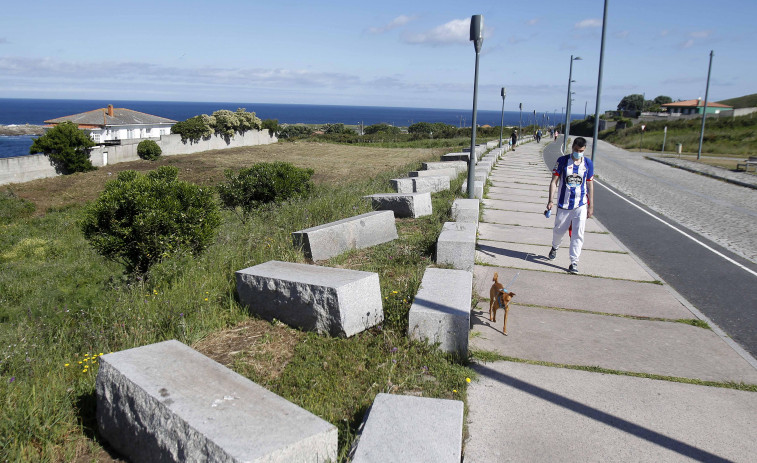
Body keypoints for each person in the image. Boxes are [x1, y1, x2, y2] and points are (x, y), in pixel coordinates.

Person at [546, 136, 594, 274]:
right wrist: (550, 200)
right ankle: (555, 247)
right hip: (564, 204)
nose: (578, 152)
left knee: (578, 234)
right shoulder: (562, 161)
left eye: (581, 150)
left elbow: (590, 184)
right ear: (572, 147)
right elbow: (554, 181)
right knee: (558, 231)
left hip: (581, 205)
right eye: (576, 149)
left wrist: (591, 206)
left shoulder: (588, 164)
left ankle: (574, 262)